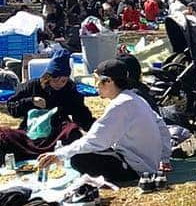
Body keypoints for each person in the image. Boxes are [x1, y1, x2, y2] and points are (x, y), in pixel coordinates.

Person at [37, 58, 171, 185]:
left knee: (78, 159)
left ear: (109, 81)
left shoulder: (120, 104)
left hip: (135, 168)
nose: (95, 86)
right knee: (80, 147)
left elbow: (96, 140)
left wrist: (59, 155)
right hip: (147, 162)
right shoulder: (135, 98)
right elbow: (162, 128)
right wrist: (163, 158)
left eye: (97, 80)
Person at [0, 48, 95, 158]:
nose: (59, 84)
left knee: (73, 132)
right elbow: (12, 108)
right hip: (32, 130)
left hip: (57, 131)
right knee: (5, 136)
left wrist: (94, 130)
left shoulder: (69, 89)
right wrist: (31, 101)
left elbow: (80, 112)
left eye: (63, 80)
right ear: (48, 77)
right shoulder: (32, 86)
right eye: (55, 79)